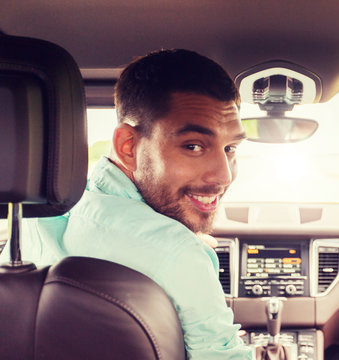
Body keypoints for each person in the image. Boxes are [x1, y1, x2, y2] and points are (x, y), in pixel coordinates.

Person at [1, 49, 251, 359]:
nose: (223, 176)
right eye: (194, 146)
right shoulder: (180, 256)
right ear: (128, 146)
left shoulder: (33, 224)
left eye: (230, 148)